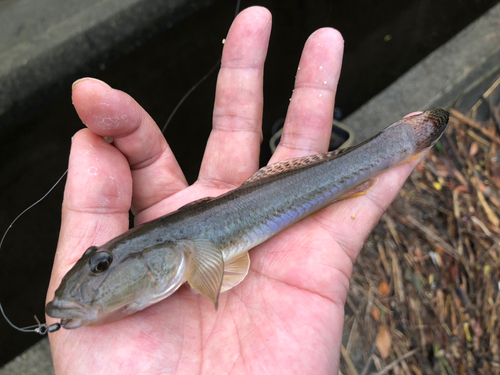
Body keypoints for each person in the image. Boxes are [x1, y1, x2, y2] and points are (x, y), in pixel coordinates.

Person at [46, 6, 419, 374]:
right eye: (101, 265)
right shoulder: (173, 263)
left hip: (280, 192)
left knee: (355, 172)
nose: (98, 271)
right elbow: (219, 270)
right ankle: (396, 146)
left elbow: (216, 269)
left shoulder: (182, 253)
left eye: (102, 264)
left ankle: (397, 145)